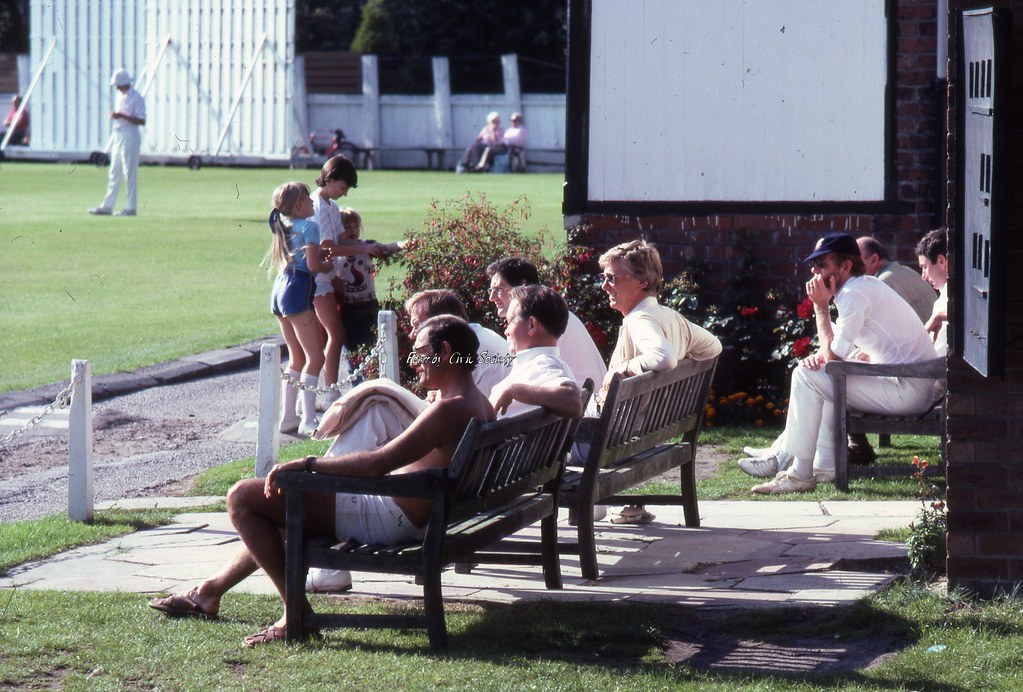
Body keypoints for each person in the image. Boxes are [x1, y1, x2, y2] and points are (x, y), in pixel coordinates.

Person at [148, 316, 494, 647]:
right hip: (414, 513)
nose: (414, 360)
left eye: (419, 352)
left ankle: (295, 613)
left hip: (391, 517)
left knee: (242, 497)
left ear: (445, 352)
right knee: (279, 511)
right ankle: (210, 592)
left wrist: (311, 463)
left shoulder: (451, 408)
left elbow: (378, 463)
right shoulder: (478, 403)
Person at [749, 233, 939, 495]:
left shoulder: (854, 293)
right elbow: (837, 351)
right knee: (817, 374)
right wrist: (825, 356)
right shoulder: (861, 288)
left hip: (908, 389)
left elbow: (835, 357)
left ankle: (799, 472)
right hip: (907, 381)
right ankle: (824, 464)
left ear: (846, 266)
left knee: (807, 376)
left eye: (823, 265)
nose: (815, 272)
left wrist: (820, 308)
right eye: (813, 266)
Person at [596, 240, 722, 523]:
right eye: (603, 278)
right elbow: (714, 346)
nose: (605, 286)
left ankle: (585, 506)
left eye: (612, 278)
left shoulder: (639, 319)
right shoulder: (670, 317)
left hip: (616, 436)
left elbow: (663, 359)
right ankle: (625, 505)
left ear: (642, 281)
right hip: (649, 429)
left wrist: (624, 368)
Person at [485, 256, 607, 408]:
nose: (491, 297)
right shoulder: (553, 314)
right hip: (587, 409)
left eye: (498, 289)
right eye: (491, 290)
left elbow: (570, 397)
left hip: (583, 416)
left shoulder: (542, 323)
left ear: (521, 285)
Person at [262, 181, 333, 436]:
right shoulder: (310, 226)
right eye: (309, 199)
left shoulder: (286, 225)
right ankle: (307, 420)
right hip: (298, 289)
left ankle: (289, 417)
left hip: (280, 290)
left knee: (297, 357)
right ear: (300, 204)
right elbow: (313, 266)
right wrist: (328, 265)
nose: (313, 202)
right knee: (316, 357)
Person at [310, 157, 379, 410]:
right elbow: (328, 248)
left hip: (325, 278)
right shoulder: (318, 206)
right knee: (334, 335)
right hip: (316, 280)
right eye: (343, 186)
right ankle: (329, 394)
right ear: (329, 179)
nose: (345, 192)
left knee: (321, 340)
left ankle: (316, 397)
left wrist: (368, 247)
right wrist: (363, 248)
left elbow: (341, 241)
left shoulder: (329, 205)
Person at [490, 284, 584, 420]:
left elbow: (573, 402)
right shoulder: (537, 363)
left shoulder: (543, 364)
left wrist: (513, 390)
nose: (506, 331)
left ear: (531, 325)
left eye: (510, 321)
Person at [405, 289, 512, 398]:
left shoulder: (471, 350)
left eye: (417, 325)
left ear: (440, 321)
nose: (412, 335)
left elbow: (464, 404)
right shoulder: (475, 338)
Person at [334, 207, 402, 351]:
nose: (352, 230)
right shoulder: (335, 250)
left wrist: (402, 245)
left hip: (368, 304)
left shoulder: (368, 246)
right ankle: (354, 372)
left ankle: (366, 373)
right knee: (350, 346)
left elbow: (386, 248)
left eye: (356, 226)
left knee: (368, 344)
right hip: (346, 307)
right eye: (347, 227)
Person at [89, 68, 146, 217]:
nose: (116, 87)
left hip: (130, 134)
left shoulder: (137, 97)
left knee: (129, 171)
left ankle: (131, 207)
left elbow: (141, 120)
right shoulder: (119, 96)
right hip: (118, 134)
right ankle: (107, 206)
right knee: (114, 170)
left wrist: (121, 115)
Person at [857, 236, 937, 323]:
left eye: (856, 261)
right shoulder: (903, 270)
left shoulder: (882, 284)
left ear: (874, 260)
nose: (851, 267)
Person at [916, 228, 949, 356]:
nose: (923, 276)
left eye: (925, 267)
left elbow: (936, 356)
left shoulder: (950, 297)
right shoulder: (943, 298)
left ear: (941, 261)